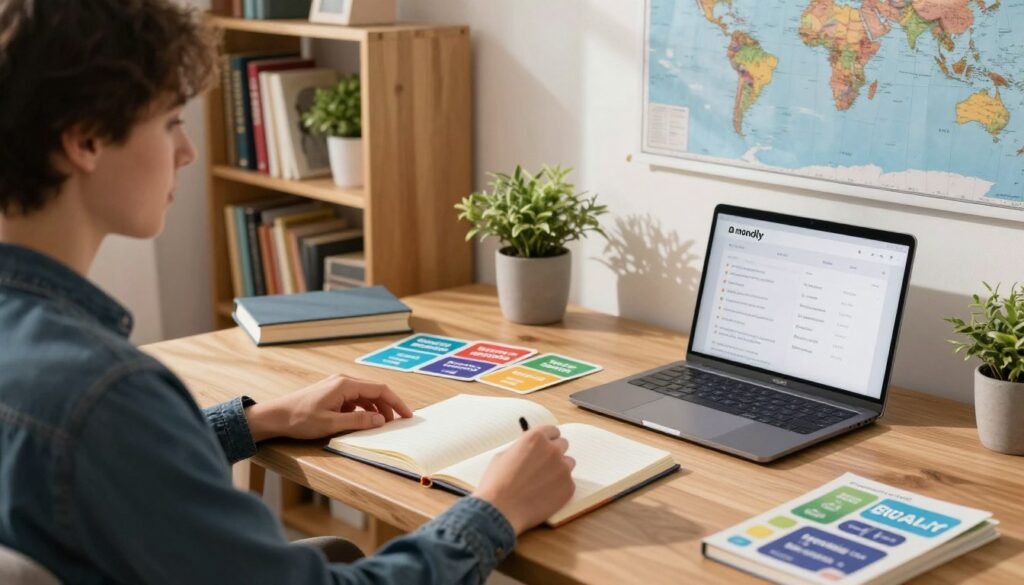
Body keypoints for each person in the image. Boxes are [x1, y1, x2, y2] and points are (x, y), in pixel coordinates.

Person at [0, 1, 576, 583]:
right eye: (172, 120)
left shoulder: (71, 385)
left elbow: (98, 460)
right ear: (87, 139)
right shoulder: (108, 395)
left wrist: (258, 420)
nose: (187, 151)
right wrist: (497, 507)